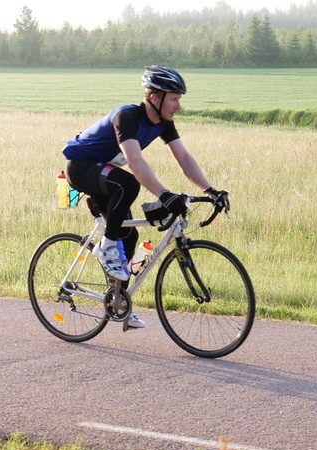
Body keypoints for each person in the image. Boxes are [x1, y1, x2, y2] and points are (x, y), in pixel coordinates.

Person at [62, 65, 229, 328]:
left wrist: (210, 190)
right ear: (154, 98)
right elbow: (135, 161)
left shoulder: (163, 123)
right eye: (174, 99)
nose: (179, 106)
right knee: (128, 184)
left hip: (106, 174)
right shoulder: (127, 117)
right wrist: (164, 195)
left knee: (129, 235)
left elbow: (183, 157)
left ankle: (119, 302)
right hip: (81, 167)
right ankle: (105, 246)